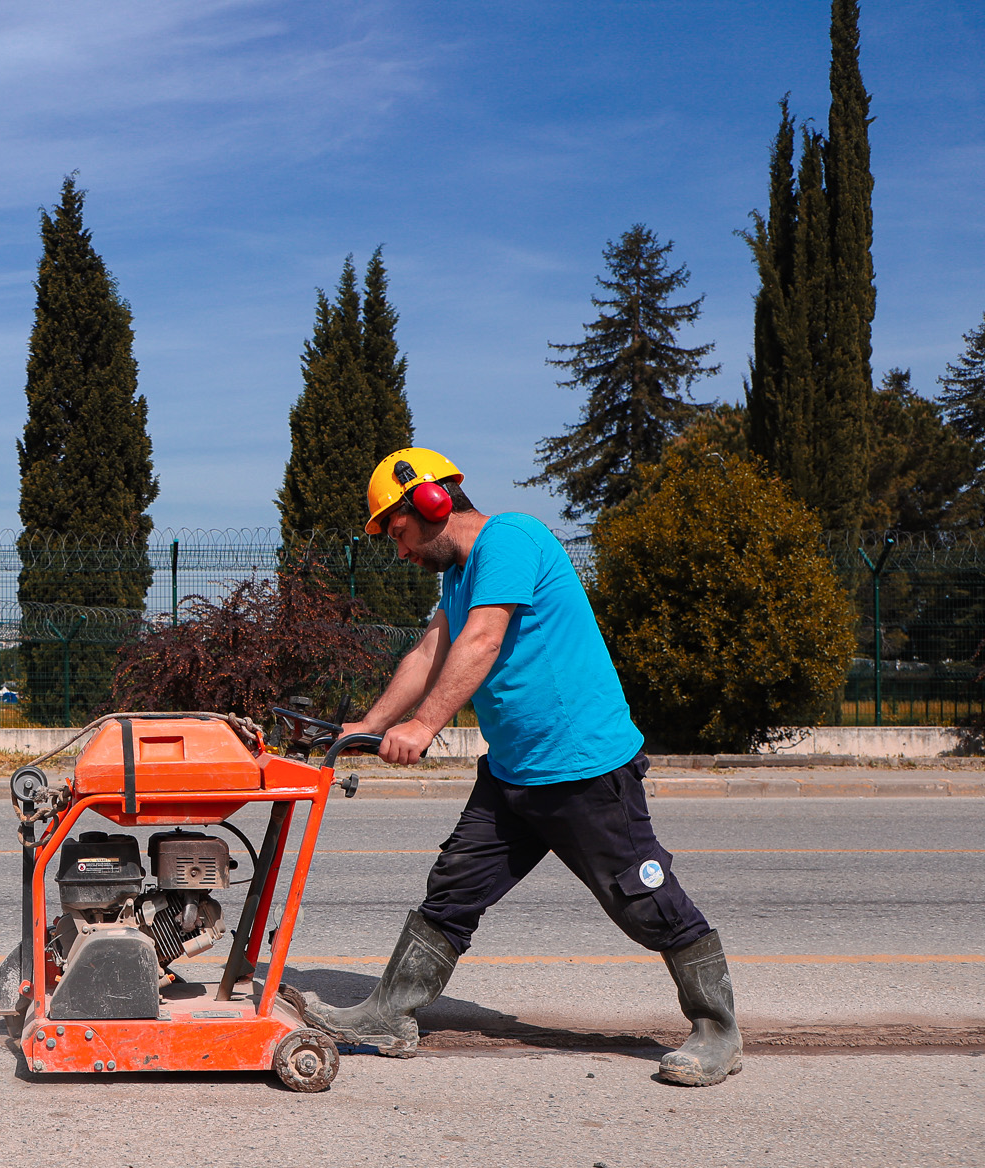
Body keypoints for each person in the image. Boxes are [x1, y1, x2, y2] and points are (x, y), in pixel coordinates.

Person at [301, 447, 741, 1087]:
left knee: (643, 901)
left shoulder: (511, 538)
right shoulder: (460, 577)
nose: (400, 552)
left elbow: (482, 639)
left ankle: (717, 1029)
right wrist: (370, 725)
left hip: (583, 770)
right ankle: (390, 1014)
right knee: (453, 888)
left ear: (431, 503)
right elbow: (431, 652)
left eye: (398, 533)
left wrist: (424, 727)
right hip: (513, 775)